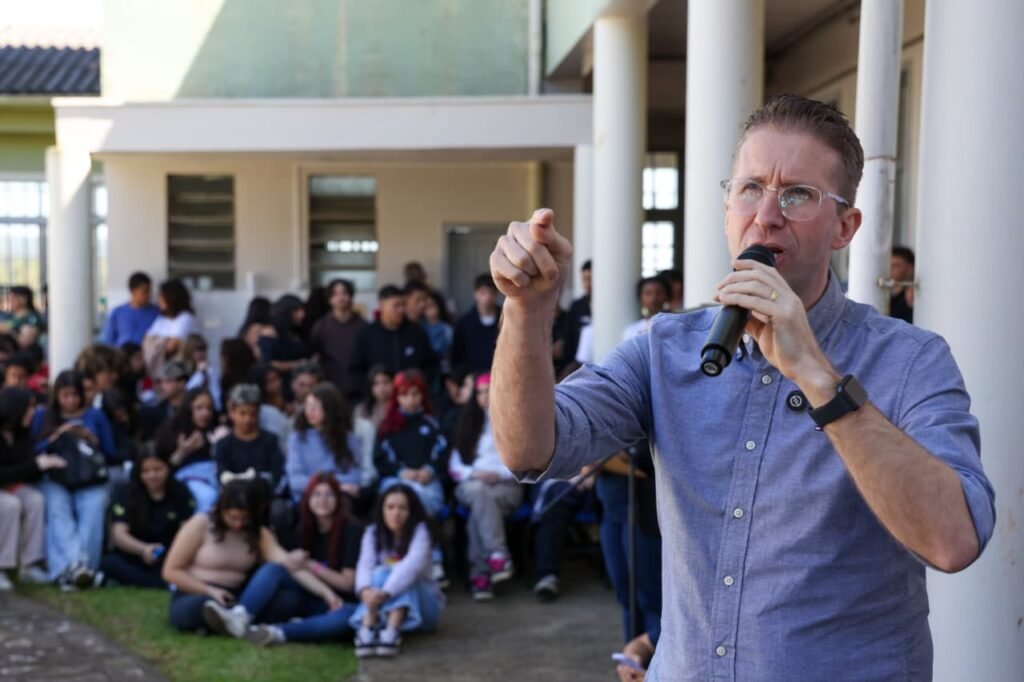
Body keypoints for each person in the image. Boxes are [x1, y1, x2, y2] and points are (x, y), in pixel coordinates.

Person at [488, 95, 994, 680]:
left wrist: (817, 375)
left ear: (845, 226)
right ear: (727, 207)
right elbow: (529, 450)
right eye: (750, 188)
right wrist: (525, 310)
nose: (767, 214)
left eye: (798, 194)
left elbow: (953, 541)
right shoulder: (666, 348)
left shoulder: (910, 360)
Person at [162, 479, 339, 633]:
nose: (238, 524)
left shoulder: (259, 534)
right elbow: (170, 571)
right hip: (197, 592)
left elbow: (288, 565)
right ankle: (233, 622)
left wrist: (328, 594)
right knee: (202, 608)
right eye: (232, 517)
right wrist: (209, 590)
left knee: (288, 600)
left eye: (244, 518)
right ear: (221, 509)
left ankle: (235, 620)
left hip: (239, 599)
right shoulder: (200, 524)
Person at [243, 474, 364, 646]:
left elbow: (347, 583)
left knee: (349, 619)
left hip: (342, 603)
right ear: (307, 499)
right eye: (316, 494)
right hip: (311, 595)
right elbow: (292, 568)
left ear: (339, 499)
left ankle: (277, 632)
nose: (322, 500)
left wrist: (310, 565)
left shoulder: (352, 529)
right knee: (274, 569)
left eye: (329, 494)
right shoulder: (304, 528)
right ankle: (239, 616)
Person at [30, 371, 114, 587]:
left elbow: (111, 451)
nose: (71, 401)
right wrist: (58, 436)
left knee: (93, 510)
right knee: (58, 511)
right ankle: (79, 568)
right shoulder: (43, 416)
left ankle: (72, 571)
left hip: (89, 477)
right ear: (56, 395)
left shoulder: (95, 416)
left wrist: (90, 438)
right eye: (65, 395)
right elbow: (33, 449)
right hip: (56, 476)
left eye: (75, 395)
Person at [448, 373, 521, 600]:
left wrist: (497, 474)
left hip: (505, 485)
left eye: (489, 390)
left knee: (478, 513)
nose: (485, 396)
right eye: (480, 392)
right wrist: (477, 474)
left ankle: (480, 577)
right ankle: (497, 554)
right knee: (480, 494)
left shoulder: (515, 423)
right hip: (472, 483)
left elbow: (524, 463)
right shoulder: (467, 425)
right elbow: (454, 467)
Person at [350, 483, 443, 658]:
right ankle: (371, 629)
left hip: (426, 609)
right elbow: (364, 565)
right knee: (377, 574)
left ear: (411, 512)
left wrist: (386, 592)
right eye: (390, 507)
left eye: (403, 508)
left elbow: (410, 567)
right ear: (382, 509)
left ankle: (387, 631)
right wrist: (365, 591)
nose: (396, 513)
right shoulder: (372, 532)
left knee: (400, 575)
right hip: (382, 601)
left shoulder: (421, 532)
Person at [100, 447, 196, 587]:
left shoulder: (180, 492)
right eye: (146, 471)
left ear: (167, 468)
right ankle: (162, 582)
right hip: (134, 553)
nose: (152, 476)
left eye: (158, 469)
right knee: (109, 562)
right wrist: (143, 549)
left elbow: (187, 531)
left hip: (169, 554)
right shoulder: (126, 492)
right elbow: (119, 534)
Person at [0, 386, 61, 589]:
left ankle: (30, 564)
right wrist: (36, 465)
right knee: (9, 505)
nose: (33, 412)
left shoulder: (22, 433)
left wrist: (42, 464)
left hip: (11, 484)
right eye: (29, 407)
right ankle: (3, 566)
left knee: (35, 500)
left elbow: (27, 467)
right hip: (5, 487)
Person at [374, 371, 446, 517]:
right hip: (395, 481)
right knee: (399, 502)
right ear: (397, 397)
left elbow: (443, 452)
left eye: (415, 394)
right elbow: (380, 458)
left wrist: (429, 470)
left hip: (428, 482)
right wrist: (401, 472)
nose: (410, 400)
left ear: (422, 395)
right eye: (404, 395)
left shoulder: (432, 424)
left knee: (423, 501)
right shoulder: (388, 426)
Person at [348, 285, 438, 402]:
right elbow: (356, 370)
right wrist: (371, 392)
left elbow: (431, 365)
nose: (401, 310)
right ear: (381, 304)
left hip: (410, 400)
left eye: (403, 305)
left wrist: (418, 387)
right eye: (396, 305)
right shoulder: (366, 334)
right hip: (378, 401)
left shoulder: (416, 332)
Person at [214, 384, 286, 522]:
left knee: (279, 512)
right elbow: (221, 474)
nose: (247, 419)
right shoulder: (223, 445)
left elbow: (278, 475)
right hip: (233, 501)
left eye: (252, 414)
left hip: (265, 499)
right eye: (242, 413)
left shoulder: (270, 441)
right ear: (232, 413)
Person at [286, 383, 364, 506]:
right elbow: (295, 481)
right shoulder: (297, 439)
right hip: (306, 499)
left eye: (316, 406)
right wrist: (334, 485)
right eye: (308, 405)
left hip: (339, 498)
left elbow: (354, 477)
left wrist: (330, 487)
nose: (310, 411)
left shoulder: (348, 439)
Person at [155, 387, 226, 513]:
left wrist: (221, 445)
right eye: (199, 408)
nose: (205, 413)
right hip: (188, 478)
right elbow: (163, 465)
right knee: (207, 496)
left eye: (209, 408)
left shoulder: (218, 431)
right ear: (189, 409)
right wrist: (183, 452)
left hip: (217, 477)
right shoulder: (173, 431)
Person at [310, 279, 366, 399]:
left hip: (358, 389)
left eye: (345, 293)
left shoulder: (363, 326)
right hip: (330, 390)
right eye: (335, 294)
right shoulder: (321, 327)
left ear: (351, 296)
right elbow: (316, 355)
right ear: (330, 299)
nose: (341, 298)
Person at [142, 279, 196, 380]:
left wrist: (155, 342)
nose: (158, 300)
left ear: (172, 297)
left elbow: (171, 346)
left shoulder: (185, 318)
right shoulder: (160, 319)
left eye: (161, 296)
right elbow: (146, 341)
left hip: (174, 371)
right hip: (156, 369)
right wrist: (162, 342)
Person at [450, 274, 501, 374]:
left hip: (499, 376)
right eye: (483, 293)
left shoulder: (506, 320)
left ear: (497, 294)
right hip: (471, 379)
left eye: (491, 293)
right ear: (475, 294)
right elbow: (457, 355)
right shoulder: (464, 323)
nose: (487, 297)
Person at [101, 272, 161, 347]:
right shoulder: (118, 313)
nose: (149, 295)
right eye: (145, 291)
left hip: (148, 355)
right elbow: (108, 340)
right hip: (122, 355)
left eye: (150, 291)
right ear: (133, 291)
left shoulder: (156, 312)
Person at [258, 295, 311, 378]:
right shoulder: (270, 333)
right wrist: (298, 364)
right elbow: (269, 363)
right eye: (297, 311)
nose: (302, 314)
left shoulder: (298, 331)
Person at [138, 359, 190, 442]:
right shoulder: (153, 411)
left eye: (168, 381)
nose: (163, 386)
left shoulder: (193, 407)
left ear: (181, 383)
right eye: (161, 382)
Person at [0, 285, 44, 354]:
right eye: (8, 298)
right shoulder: (9, 316)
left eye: (12, 298)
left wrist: (7, 331)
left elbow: (24, 343)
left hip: (22, 357)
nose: (9, 301)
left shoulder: (31, 318)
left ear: (23, 299)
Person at [353, 364, 393, 431]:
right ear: (370, 387)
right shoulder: (362, 411)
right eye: (376, 384)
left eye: (386, 382)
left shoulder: (402, 408)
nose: (381, 388)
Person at [565, 260, 592, 363]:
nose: (588, 284)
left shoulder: (606, 306)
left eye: (591, 279)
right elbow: (569, 339)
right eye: (585, 279)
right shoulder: (576, 307)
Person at [422, 290, 454, 362]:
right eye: (426, 306)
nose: (429, 309)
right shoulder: (421, 327)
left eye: (432, 305)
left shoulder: (446, 329)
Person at [889, 245, 915, 324]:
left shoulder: (912, 292)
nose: (890, 269)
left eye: (896, 266)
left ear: (910, 268)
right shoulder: (885, 290)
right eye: (889, 265)